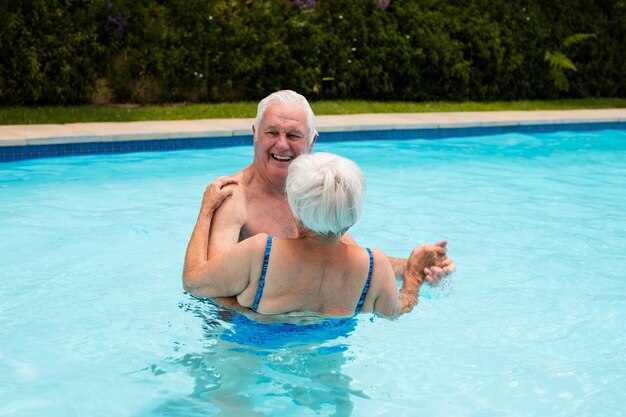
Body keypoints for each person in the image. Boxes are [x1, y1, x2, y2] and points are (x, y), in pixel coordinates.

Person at [184, 90, 455, 291]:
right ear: (255, 134)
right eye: (271, 133)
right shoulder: (234, 195)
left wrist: (414, 266)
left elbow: (351, 258)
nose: (281, 144)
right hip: (249, 335)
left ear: (312, 141)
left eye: (293, 135)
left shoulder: (316, 191)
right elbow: (211, 288)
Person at [183, 152, 448, 318]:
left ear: (295, 207)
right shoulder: (373, 266)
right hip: (329, 353)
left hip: (256, 350)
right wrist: (413, 273)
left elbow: (193, 283)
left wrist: (206, 210)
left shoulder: (260, 253)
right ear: (353, 215)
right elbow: (399, 309)